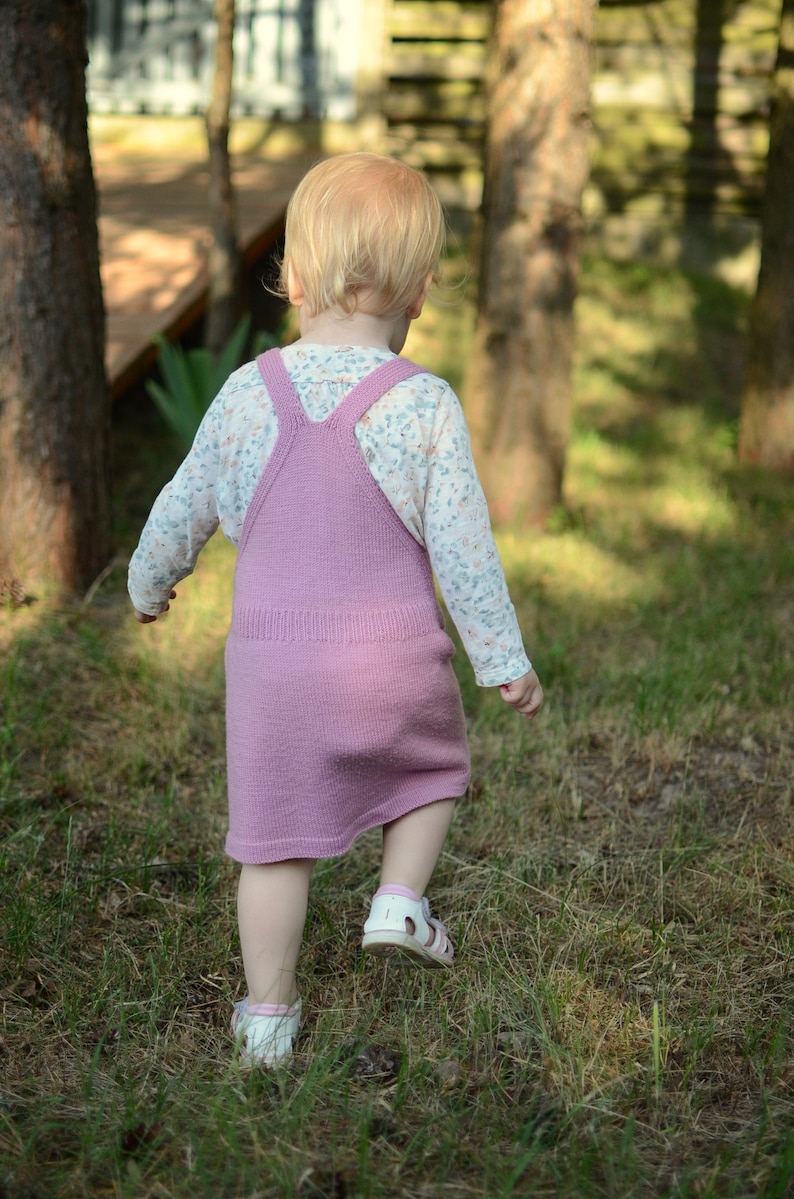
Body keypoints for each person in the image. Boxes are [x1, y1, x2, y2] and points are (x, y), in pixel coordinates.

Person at [127, 152, 543, 1066]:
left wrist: (148, 581)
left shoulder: (248, 392)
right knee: (433, 773)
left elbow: (183, 498)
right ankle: (399, 897)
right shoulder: (422, 402)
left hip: (273, 670)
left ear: (295, 275)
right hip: (391, 660)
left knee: (271, 845)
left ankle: (268, 1019)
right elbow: (466, 551)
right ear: (420, 294)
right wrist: (501, 657)